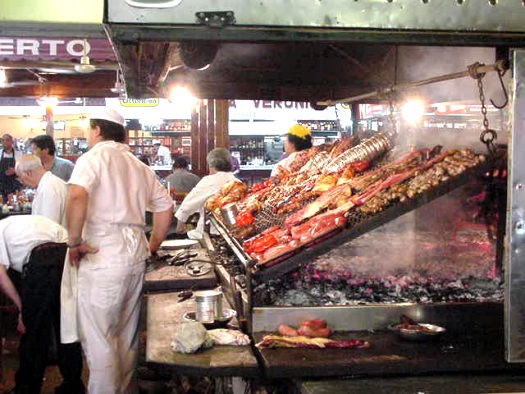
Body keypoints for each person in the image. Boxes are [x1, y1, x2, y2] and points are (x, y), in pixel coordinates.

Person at [62, 108, 173, 393]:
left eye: (89, 130)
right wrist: (152, 245)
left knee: (100, 336)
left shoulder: (93, 158)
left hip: (102, 250)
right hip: (135, 252)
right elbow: (165, 206)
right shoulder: (137, 165)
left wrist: (74, 242)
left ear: (97, 130)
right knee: (126, 334)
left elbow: (76, 194)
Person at [0, 215, 84, 394]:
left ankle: (27, 388)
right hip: (68, 256)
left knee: (35, 332)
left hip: (41, 260)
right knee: (67, 327)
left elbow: (1, 277)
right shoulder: (21, 222)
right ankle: (73, 385)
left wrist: (22, 308)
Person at [175, 148, 237, 239]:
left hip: (209, 235)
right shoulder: (237, 182)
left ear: (211, 165)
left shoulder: (209, 181)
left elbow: (187, 206)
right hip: (233, 235)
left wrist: (180, 229)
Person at [15, 154, 67, 226]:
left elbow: (49, 226)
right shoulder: (50, 183)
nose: (22, 182)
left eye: (21, 178)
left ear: (28, 173)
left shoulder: (49, 188)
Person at [0, 133, 22, 198]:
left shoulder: (18, 154)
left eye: (7, 140)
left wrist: (15, 170)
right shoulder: (0, 153)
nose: (5, 142)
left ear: (12, 142)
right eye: (3, 140)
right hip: (1, 185)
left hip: (14, 185)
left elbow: (23, 169)